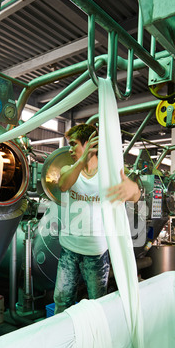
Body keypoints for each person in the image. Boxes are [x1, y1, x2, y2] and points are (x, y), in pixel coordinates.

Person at [53, 123, 141, 314]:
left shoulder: (108, 174)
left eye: (74, 144)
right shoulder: (70, 168)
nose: (70, 149)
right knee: (61, 300)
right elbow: (63, 185)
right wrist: (82, 159)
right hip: (69, 249)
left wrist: (132, 190)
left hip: (96, 252)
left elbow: (135, 195)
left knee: (98, 303)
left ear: (90, 145)